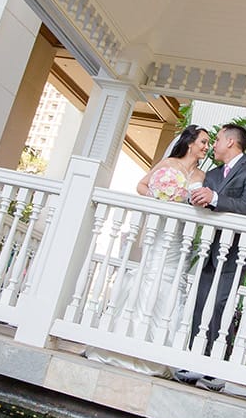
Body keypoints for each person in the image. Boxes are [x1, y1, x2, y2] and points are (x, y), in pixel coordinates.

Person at [84, 125, 211, 377]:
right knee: (149, 276)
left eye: (207, 143)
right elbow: (141, 186)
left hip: (179, 238)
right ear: (190, 143)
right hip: (160, 231)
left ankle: (159, 352)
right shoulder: (168, 163)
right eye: (203, 142)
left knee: (172, 281)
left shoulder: (202, 175)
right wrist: (158, 196)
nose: (206, 147)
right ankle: (125, 342)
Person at [178, 123, 246, 388]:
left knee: (221, 304)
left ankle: (216, 367)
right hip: (211, 248)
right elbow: (202, 199)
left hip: (236, 252)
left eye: (216, 140)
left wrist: (215, 198)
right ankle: (195, 361)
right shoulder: (214, 174)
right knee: (201, 302)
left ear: (231, 142)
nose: (213, 145)